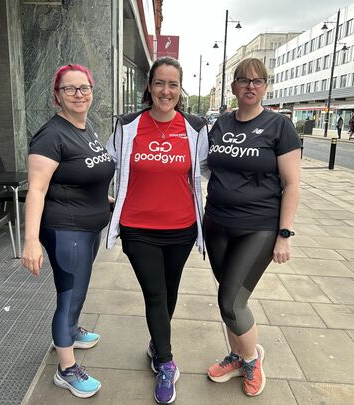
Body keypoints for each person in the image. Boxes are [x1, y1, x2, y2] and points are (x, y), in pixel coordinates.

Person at [105, 56, 208, 404]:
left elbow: (210, 169)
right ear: (149, 87)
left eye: (173, 84)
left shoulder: (195, 128)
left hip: (181, 228)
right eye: (160, 83)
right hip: (138, 228)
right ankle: (166, 362)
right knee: (155, 294)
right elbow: (108, 163)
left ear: (181, 89)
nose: (166, 91)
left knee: (169, 292)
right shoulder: (128, 125)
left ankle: (155, 343)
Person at [204, 58, 301, 397]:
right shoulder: (218, 125)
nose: (250, 86)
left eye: (257, 81)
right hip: (216, 223)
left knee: (232, 301)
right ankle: (236, 355)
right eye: (243, 80)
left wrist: (284, 235)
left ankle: (251, 358)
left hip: (257, 228)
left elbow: (292, 184)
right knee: (226, 297)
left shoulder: (279, 127)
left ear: (265, 87)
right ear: (232, 86)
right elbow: (204, 168)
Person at [22, 64, 115, 398]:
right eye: (70, 89)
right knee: (69, 294)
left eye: (84, 88)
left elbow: (82, 173)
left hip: (88, 227)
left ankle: (72, 331)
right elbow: (36, 190)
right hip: (65, 229)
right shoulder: (51, 135)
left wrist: (104, 198)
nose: (79, 95)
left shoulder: (85, 128)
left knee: (79, 288)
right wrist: (30, 241)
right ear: (56, 96)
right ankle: (66, 369)